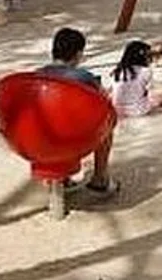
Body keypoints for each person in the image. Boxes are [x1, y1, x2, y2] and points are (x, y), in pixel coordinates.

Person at [38, 27, 116, 195]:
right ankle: (100, 177)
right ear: (78, 54)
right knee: (106, 125)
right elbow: (104, 103)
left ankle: (62, 178)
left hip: (40, 137)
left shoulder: (37, 76)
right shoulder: (82, 77)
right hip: (74, 137)